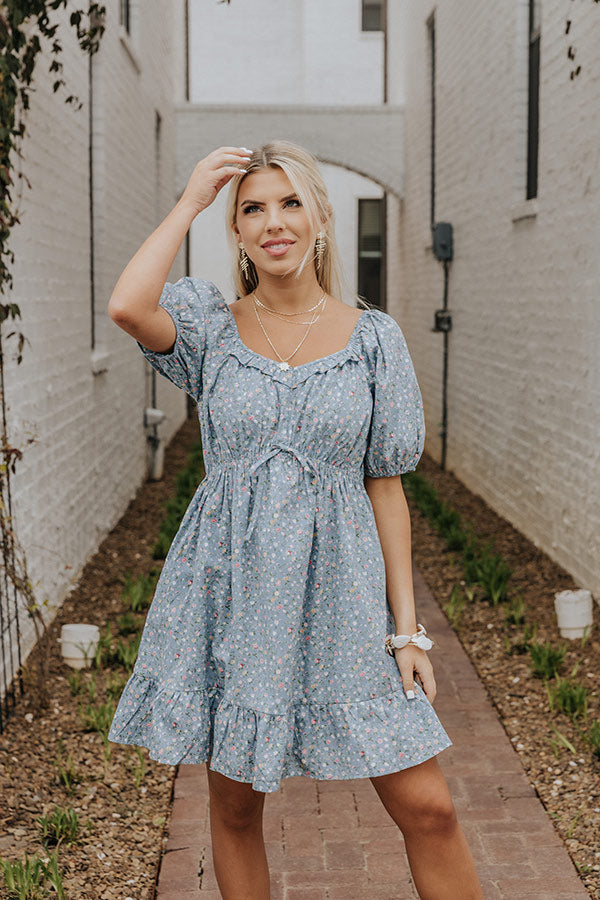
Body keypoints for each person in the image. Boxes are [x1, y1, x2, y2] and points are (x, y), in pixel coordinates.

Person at [107, 141, 484, 900]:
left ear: (319, 219)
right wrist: (189, 203)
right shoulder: (210, 326)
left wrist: (407, 632)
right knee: (237, 805)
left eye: (289, 204)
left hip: (345, 601)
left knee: (430, 809)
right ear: (237, 233)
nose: (273, 221)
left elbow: (386, 488)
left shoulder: (374, 340)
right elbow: (126, 306)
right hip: (233, 596)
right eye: (253, 208)